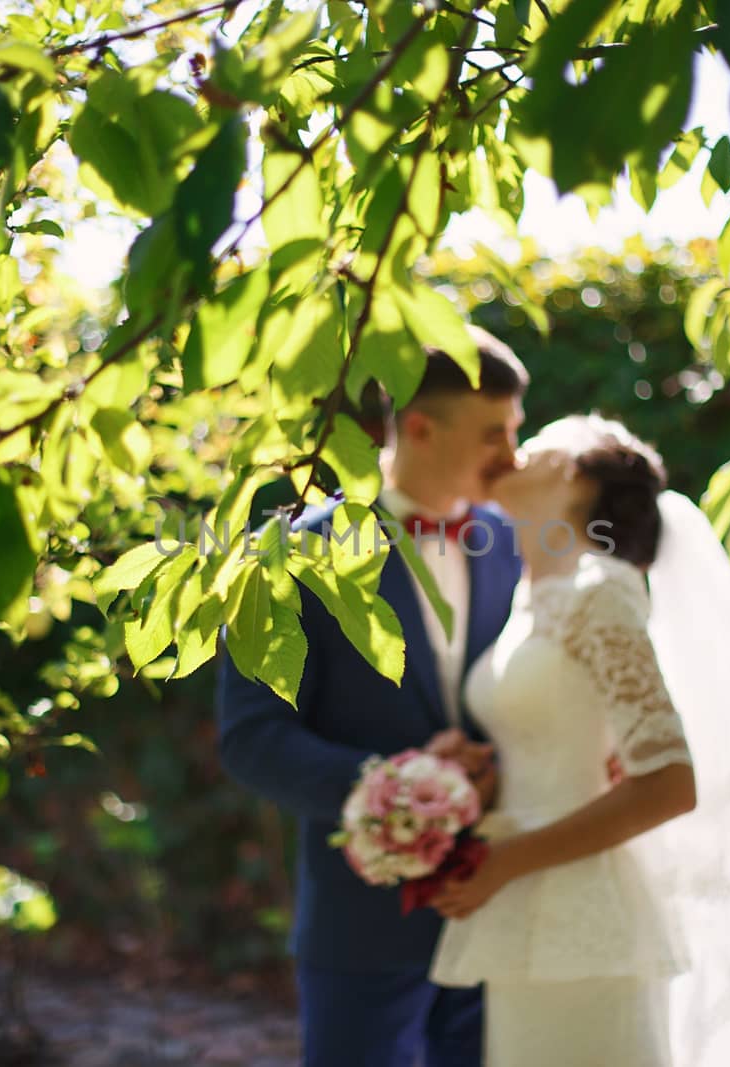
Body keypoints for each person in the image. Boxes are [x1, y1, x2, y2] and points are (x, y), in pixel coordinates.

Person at [428, 413, 730, 1067]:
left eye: (536, 441)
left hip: (584, 911)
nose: (515, 451)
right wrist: (477, 775)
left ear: (576, 472)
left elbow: (669, 783)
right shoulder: (532, 596)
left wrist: (508, 860)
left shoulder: (602, 591)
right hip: (519, 903)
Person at [215, 327, 529, 1067]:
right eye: (493, 435)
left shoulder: (521, 544)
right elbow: (253, 738)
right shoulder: (288, 557)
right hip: (362, 923)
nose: (513, 459)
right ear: (419, 427)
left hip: (504, 905)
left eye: (515, 433)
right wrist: (407, 785)